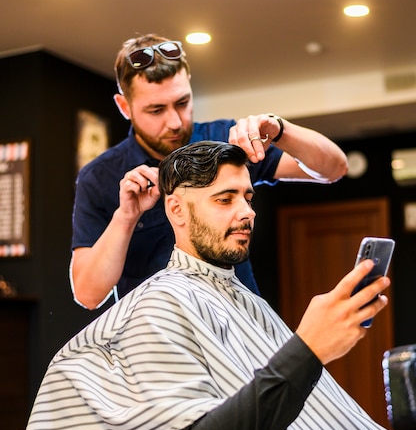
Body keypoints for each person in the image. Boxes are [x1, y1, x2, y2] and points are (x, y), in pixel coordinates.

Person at [16, 141, 416, 430]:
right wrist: (308, 350)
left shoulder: (245, 300)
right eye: (224, 199)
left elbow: (332, 164)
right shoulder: (162, 305)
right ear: (176, 211)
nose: (247, 212)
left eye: (247, 197)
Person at [70, 33, 348, 310]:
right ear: (124, 107)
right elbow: (88, 294)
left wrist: (280, 130)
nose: (175, 122)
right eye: (156, 110)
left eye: (182, 103)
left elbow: (333, 168)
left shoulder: (225, 140)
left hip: (240, 328)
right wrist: (126, 217)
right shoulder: (100, 177)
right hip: (160, 339)